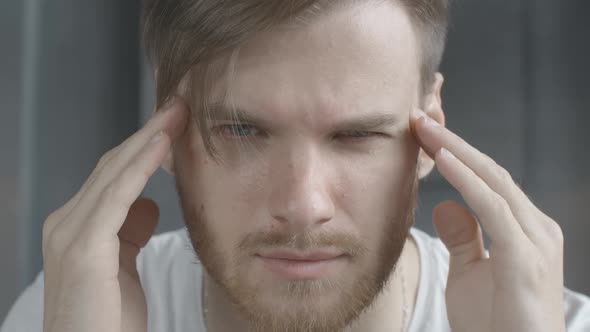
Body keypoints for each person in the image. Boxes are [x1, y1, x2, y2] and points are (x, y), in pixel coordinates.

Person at [2, 0, 590, 331]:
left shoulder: (552, 323)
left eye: (357, 134)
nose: (303, 205)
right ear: (167, 127)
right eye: (242, 129)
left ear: (430, 129)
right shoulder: (72, 311)